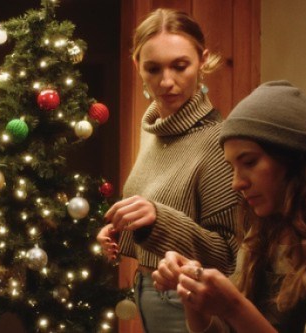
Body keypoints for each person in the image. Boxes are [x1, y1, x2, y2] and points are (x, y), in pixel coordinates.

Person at [152, 80, 306, 332]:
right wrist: (191, 293)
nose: (236, 183)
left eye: (249, 162)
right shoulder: (261, 238)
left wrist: (234, 308)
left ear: (293, 160)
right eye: (232, 168)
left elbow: (238, 317)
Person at [95, 8, 240, 333]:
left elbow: (228, 254)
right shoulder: (153, 132)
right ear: (137, 67)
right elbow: (156, 220)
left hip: (191, 300)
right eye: (153, 68)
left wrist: (159, 218)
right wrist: (121, 234)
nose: (166, 82)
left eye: (180, 66)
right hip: (146, 289)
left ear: (202, 61)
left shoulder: (218, 139)